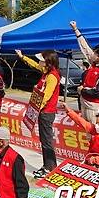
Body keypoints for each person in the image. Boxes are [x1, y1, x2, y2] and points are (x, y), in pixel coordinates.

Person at [15, 50, 60, 179]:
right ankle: (48, 165)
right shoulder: (46, 72)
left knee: (46, 141)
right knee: (44, 140)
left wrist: (34, 110)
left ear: (48, 62)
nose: (39, 62)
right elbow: (35, 65)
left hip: (46, 112)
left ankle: (50, 167)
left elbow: (46, 96)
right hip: (42, 112)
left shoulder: (52, 76)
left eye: (41, 59)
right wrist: (22, 57)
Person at [70, 21, 99, 124]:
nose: (92, 54)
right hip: (84, 103)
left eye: (94, 53)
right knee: (86, 130)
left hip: (94, 107)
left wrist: (82, 90)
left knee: (94, 131)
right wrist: (76, 30)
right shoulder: (95, 63)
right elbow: (85, 48)